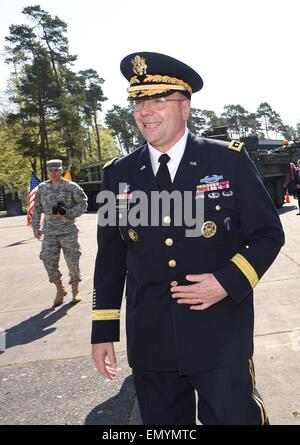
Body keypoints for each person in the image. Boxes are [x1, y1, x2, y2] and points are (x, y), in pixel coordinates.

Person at [91, 52, 285, 425]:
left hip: (220, 334)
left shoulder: (228, 161)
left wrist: (225, 283)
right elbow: (111, 257)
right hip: (151, 339)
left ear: (186, 107)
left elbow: (267, 234)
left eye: (158, 100)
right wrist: (102, 331)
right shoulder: (118, 174)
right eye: (138, 101)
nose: (145, 111)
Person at [32, 159, 88, 306]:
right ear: (48, 171)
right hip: (49, 231)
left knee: (73, 261)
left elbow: (83, 203)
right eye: (51, 170)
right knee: (47, 260)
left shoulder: (71, 186)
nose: (54, 173)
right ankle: (59, 289)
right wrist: (35, 227)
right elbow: (37, 208)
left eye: (57, 170)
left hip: (68, 230)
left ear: (61, 170)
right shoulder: (42, 188)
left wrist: (68, 213)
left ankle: (75, 290)